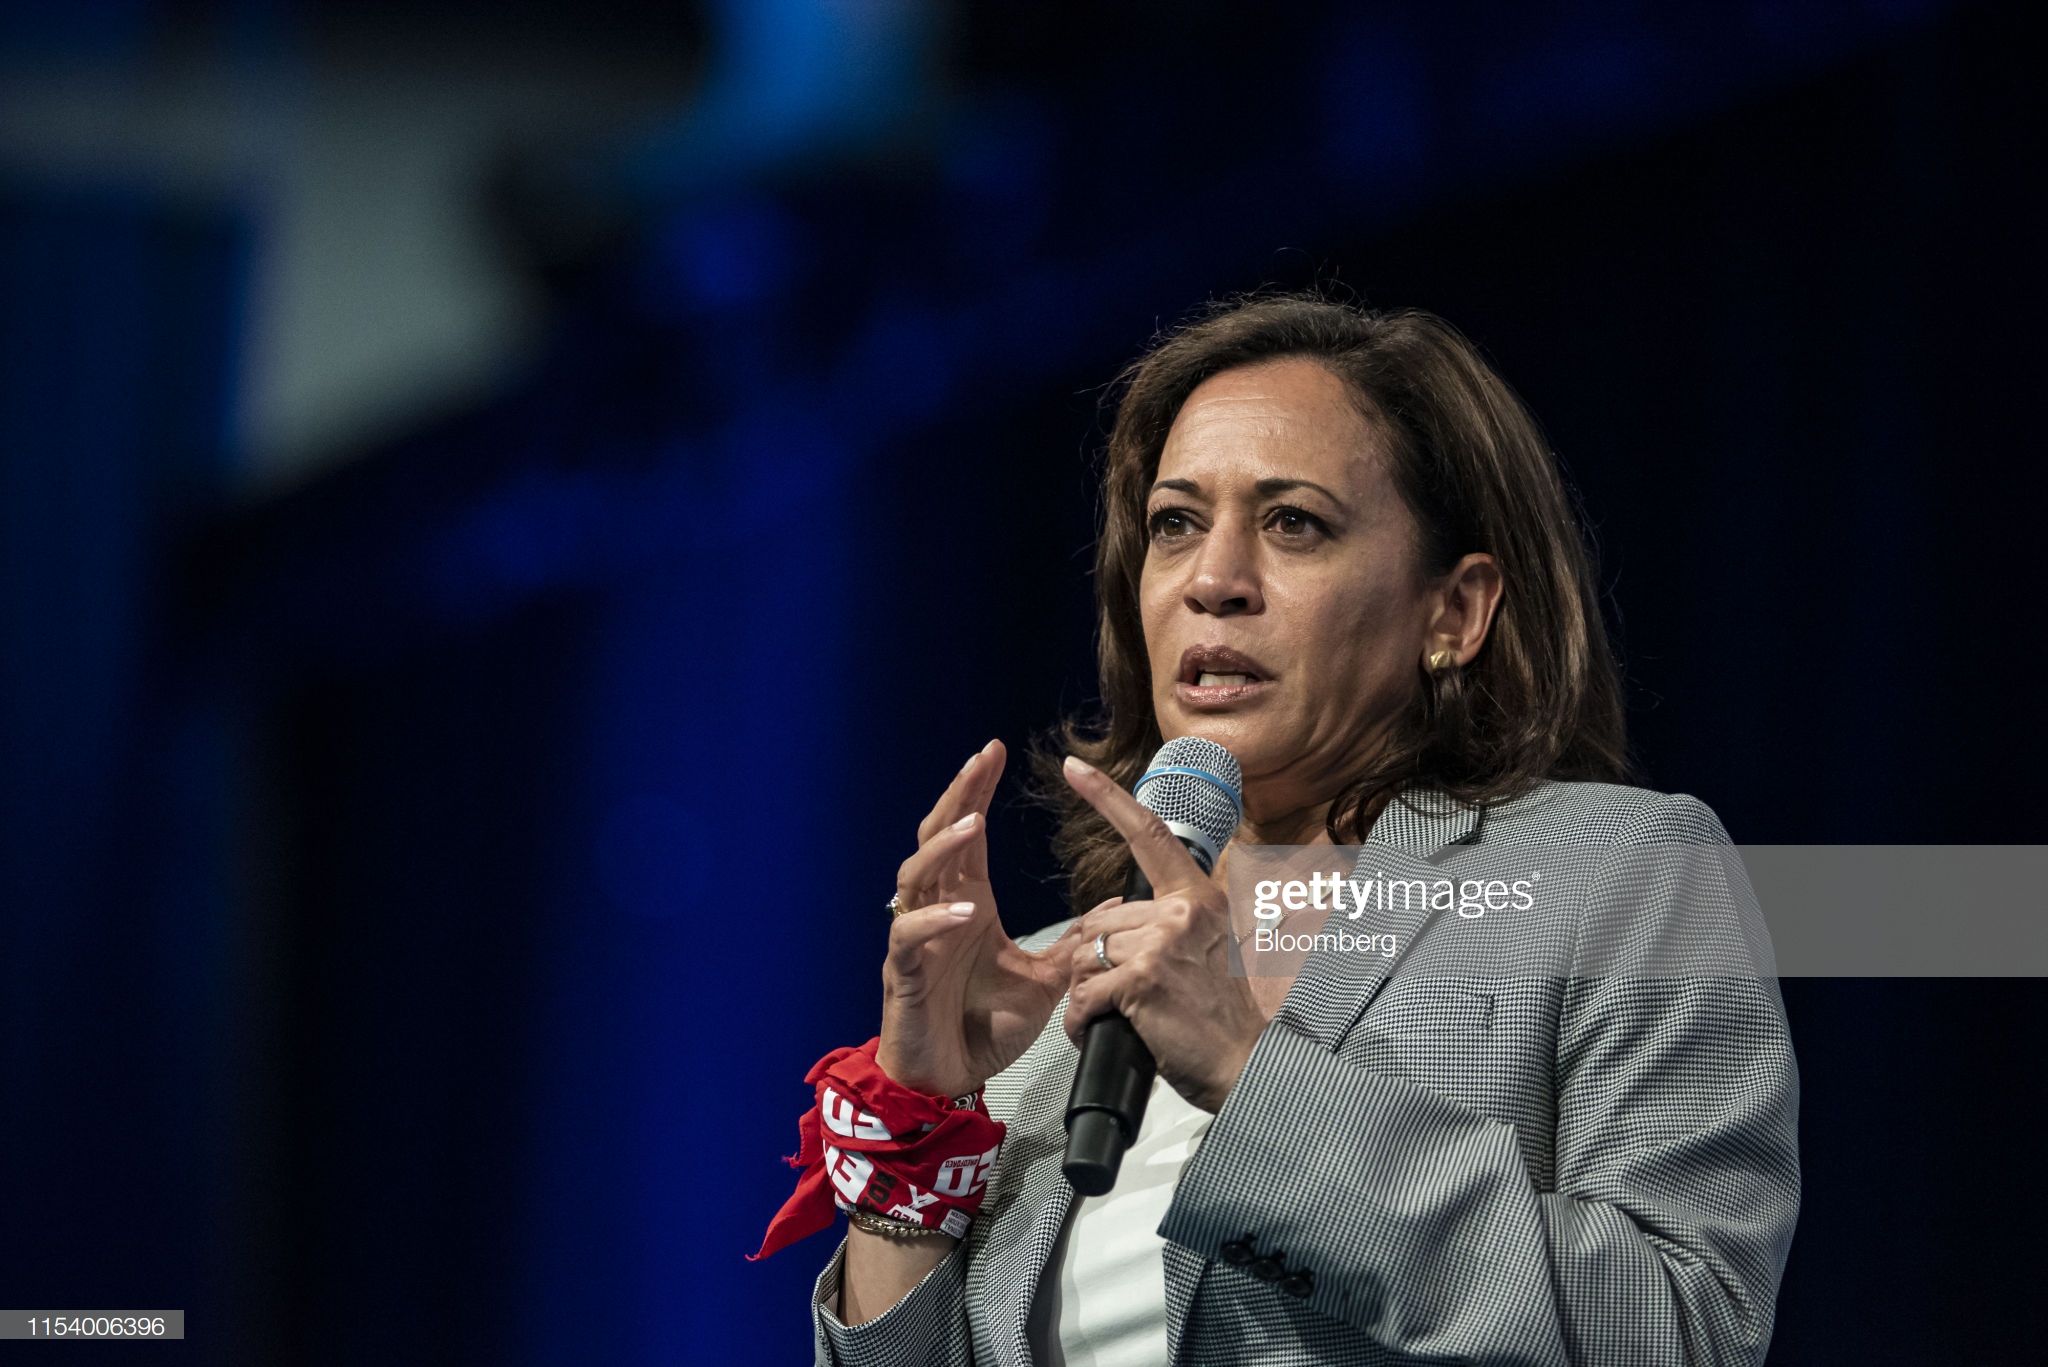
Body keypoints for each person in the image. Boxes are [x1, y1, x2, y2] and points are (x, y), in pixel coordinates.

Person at [797, 294, 1799, 1365]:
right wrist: (916, 1133)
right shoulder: (1044, 998)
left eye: (1293, 524)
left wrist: (1247, 1068)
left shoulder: (1613, 873)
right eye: (1175, 524)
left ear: (1453, 612)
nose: (1212, 581)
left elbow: (1679, 1328)